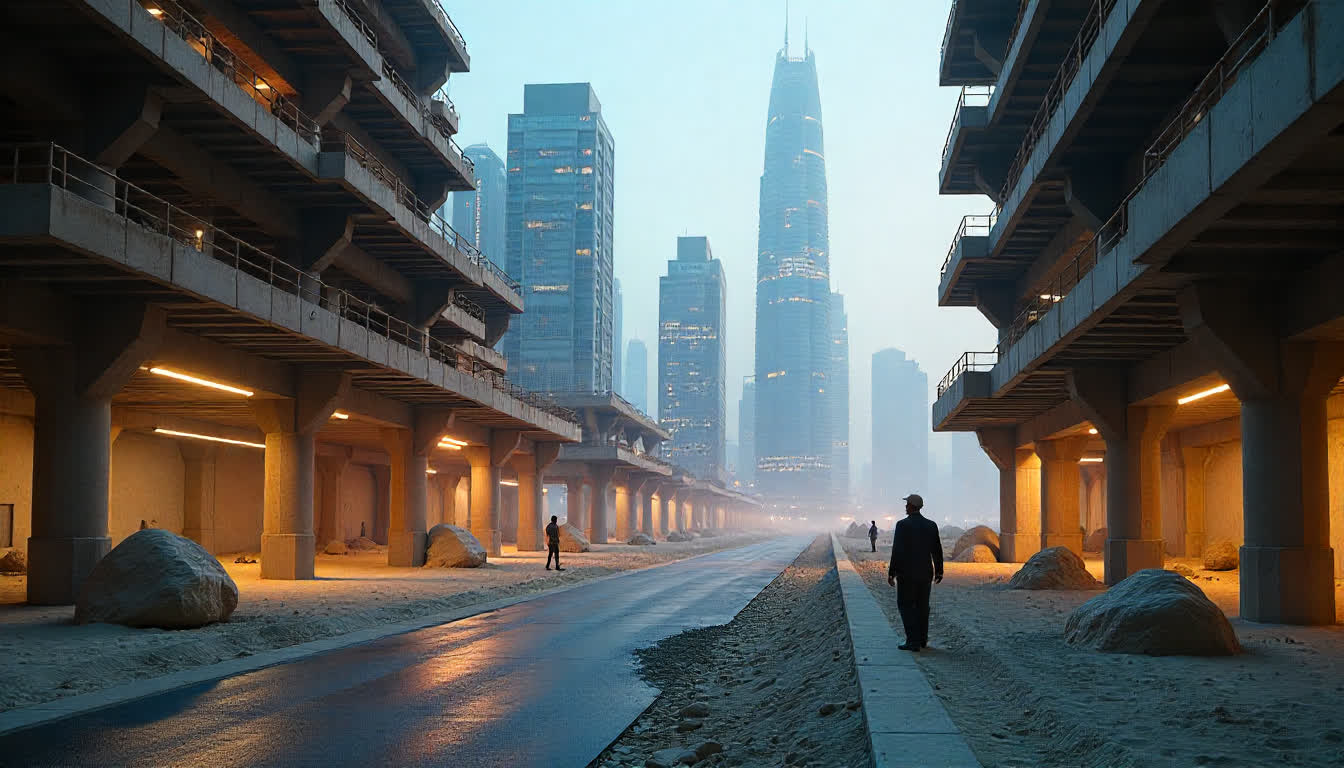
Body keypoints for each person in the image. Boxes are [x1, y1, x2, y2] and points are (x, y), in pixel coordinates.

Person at [886, 493, 943, 651]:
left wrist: (892, 573)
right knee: (922, 606)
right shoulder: (931, 525)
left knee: (905, 605)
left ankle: (912, 641)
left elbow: (897, 551)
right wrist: (939, 571)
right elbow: (937, 550)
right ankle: (922, 639)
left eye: (907, 504)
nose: (905, 506)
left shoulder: (902, 525)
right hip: (925, 572)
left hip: (907, 573)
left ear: (911, 506)